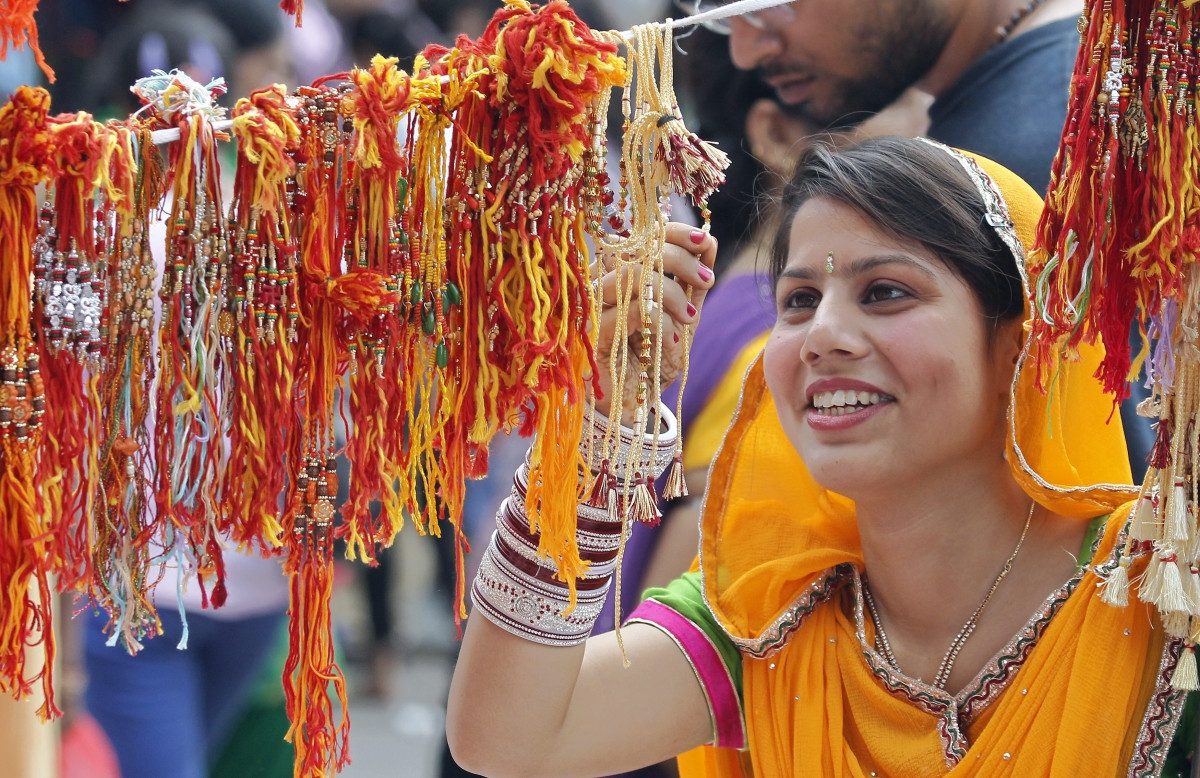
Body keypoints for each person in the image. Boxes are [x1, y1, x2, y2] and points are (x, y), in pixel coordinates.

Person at [445, 136, 1193, 777]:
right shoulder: (771, 615)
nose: (822, 334)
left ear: (1018, 346)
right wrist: (600, 429)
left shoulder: (1166, 594)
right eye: (799, 300)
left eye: (887, 291)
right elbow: (509, 740)